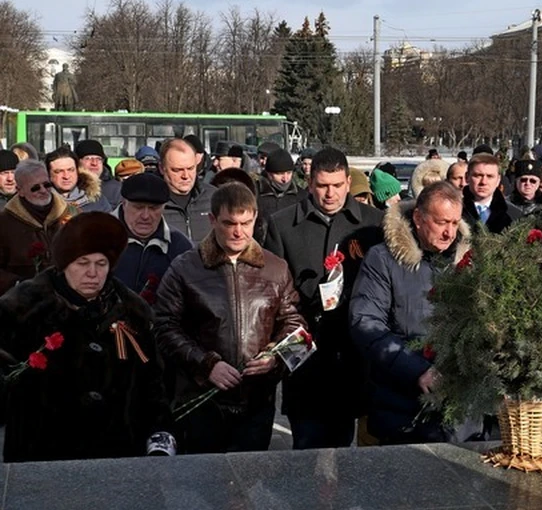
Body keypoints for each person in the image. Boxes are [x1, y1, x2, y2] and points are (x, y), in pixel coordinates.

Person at [0, 212, 174, 462]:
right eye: (82, 263)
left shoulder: (132, 313)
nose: (92, 273)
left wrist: (160, 433)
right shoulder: (22, 311)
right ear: (65, 264)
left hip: (119, 454)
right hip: (43, 457)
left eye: (101, 264)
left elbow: (152, 383)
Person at [155, 183, 306, 453]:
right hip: (201, 401)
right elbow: (164, 327)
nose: (239, 232)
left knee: (246, 485)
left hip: (256, 403)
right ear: (212, 220)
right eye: (229, 223)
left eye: (246, 223)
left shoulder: (276, 268)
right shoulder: (185, 267)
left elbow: (297, 327)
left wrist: (275, 357)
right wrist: (206, 364)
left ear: (255, 218)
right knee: (203, 486)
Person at [263, 148, 384, 449]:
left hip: (352, 352)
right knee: (306, 446)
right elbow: (271, 291)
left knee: (344, 447)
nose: (330, 193)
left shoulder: (373, 224)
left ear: (348, 182)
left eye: (337, 185)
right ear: (309, 182)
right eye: (322, 185)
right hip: (304, 350)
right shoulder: (282, 224)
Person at [350, 182, 473, 444]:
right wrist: (417, 370)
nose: (449, 232)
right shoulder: (384, 259)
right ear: (418, 218)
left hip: (462, 416)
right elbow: (366, 322)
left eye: (454, 223)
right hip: (402, 407)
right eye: (441, 223)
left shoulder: (470, 260)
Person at [0, 160, 74, 295]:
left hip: (68, 297)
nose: (43, 191)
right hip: (22, 302)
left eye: (47, 185)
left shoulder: (72, 214)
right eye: (35, 188)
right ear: (20, 191)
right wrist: (17, 284)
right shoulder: (4, 223)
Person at [112, 172, 192, 297]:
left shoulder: (180, 246)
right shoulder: (95, 237)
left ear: (164, 207)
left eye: (154, 208)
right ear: (124, 203)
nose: (145, 216)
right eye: (138, 207)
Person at [159, 138, 215, 243]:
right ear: (162, 168)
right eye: (177, 170)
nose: (186, 176)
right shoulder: (151, 204)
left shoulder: (214, 197)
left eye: (190, 168)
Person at [462, 153, 520, 233]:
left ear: (498, 180)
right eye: (478, 175)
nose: (483, 182)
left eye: (490, 176)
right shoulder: (455, 210)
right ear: (467, 177)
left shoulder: (514, 214)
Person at [45, 146, 111, 213]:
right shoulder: (40, 202)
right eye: (59, 171)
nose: (66, 176)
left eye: (71, 170)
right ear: (48, 174)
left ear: (77, 171)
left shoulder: (98, 201)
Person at [256, 149, 301, 237]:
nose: (285, 179)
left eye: (289, 173)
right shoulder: (254, 194)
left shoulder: (301, 196)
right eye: (280, 174)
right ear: (269, 174)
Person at [75, 139, 122, 210]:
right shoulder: (69, 186)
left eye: (98, 159)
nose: (94, 163)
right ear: (78, 162)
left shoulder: (117, 189)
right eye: (88, 158)